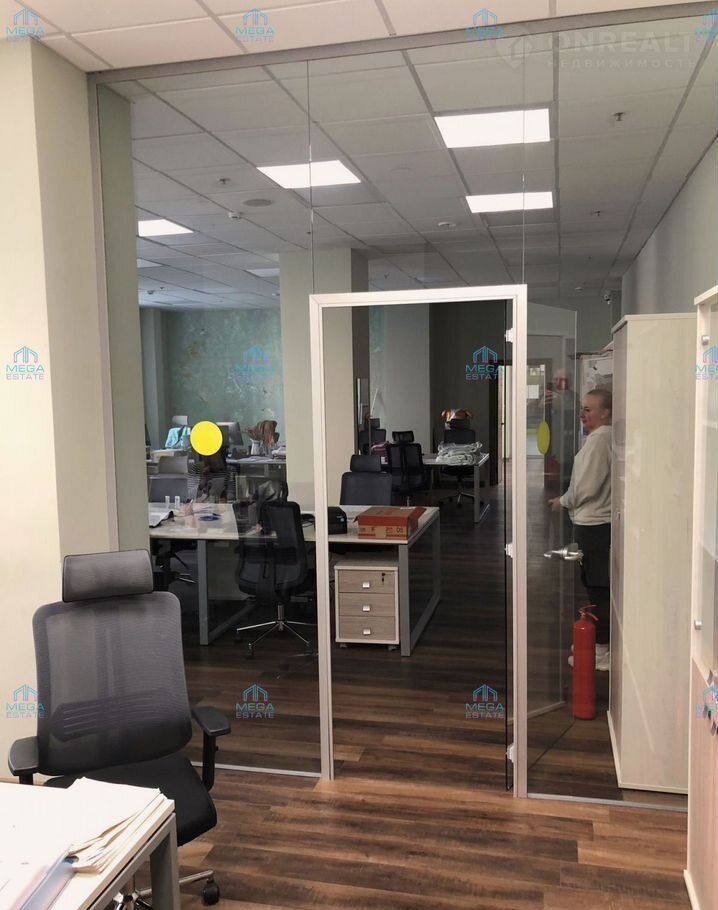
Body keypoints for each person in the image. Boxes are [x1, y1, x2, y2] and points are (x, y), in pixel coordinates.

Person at [549, 388, 612, 671]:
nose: (582, 414)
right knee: (593, 584)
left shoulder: (599, 441)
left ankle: (602, 650)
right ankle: (599, 643)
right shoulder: (600, 438)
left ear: (606, 413)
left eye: (589, 409)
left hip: (595, 526)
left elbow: (587, 486)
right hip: (592, 523)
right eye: (582, 409)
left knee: (597, 588)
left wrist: (563, 501)